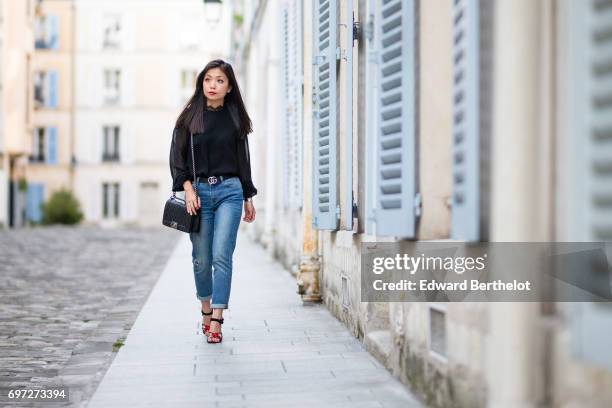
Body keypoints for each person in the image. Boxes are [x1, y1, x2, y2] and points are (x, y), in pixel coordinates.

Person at [169, 59, 257, 344]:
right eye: (208, 79)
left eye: (220, 80)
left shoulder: (235, 118)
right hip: (199, 193)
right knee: (201, 258)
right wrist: (188, 189)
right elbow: (177, 159)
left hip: (230, 192)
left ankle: (218, 316)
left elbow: (243, 160)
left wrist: (248, 196)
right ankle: (205, 307)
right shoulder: (188, 118)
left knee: (222, 254)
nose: (213, 85)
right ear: (201, 83)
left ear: (229, 86)